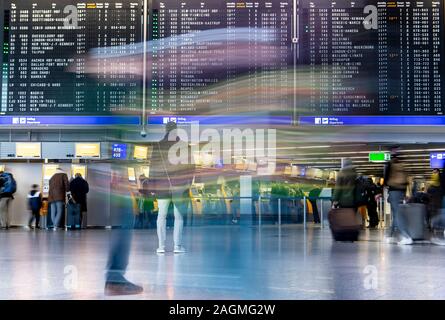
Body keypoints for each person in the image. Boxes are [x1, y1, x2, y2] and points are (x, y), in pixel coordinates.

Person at [150, 121, 195, 254]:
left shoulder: (158, 146)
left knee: (161, 216)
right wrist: (188, 184)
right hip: (180, 187)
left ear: (165, 130)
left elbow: (153, 168)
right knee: (179, 217)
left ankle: (161, 246)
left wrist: (153, 187)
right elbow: (191, 168)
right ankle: (177, 246)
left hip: (162, 187)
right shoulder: (185, 146)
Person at [383, 147, 409, 244]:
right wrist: (405, 192)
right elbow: (406, 181)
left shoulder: (390, 164)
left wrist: (385, 187)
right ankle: (391, 235)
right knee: (395, 213)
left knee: (397, 213)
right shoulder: (402, 165)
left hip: (393, 190)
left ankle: (406, 236)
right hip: (401, 190)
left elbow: (385, 179)